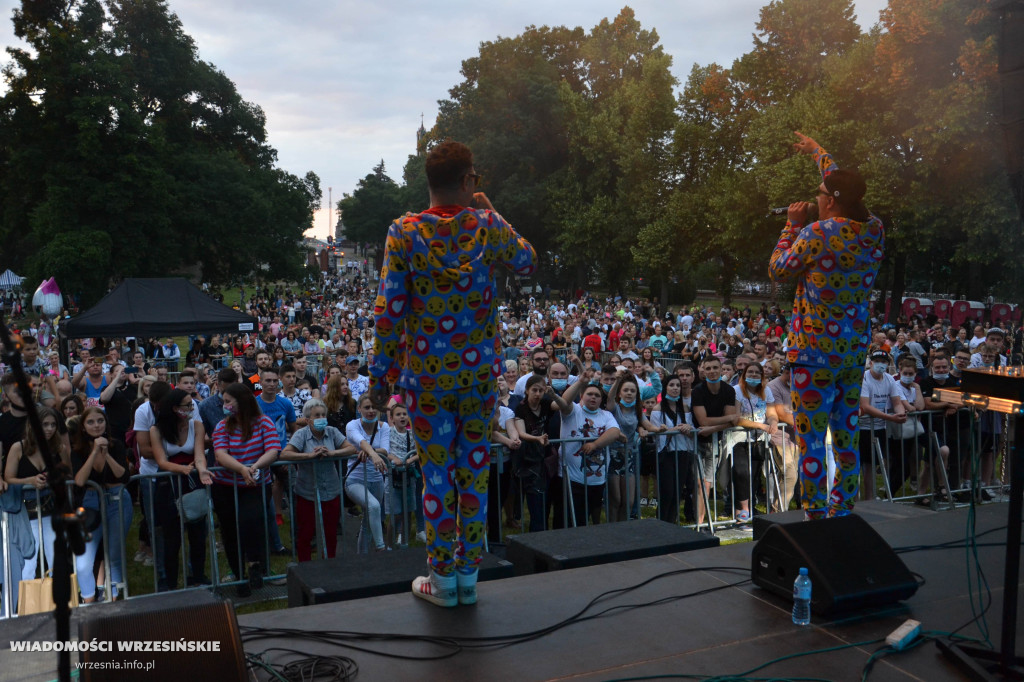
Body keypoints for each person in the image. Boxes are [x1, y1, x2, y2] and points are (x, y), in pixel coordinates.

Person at [368, 140, 536, 607]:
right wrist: (492, 211)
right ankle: (468, 578)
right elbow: (527, 259)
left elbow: (389, 311)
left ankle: (441, 581)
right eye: (475, 180)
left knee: (437, 477)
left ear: (429, 182)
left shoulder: (402, 232)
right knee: (475, 474)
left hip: (425, 382)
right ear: (466, 181)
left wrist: (380, 379)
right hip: (480, 378)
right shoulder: (487, 226)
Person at [767, 131, 885, 519]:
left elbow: (777, 270)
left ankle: (815, 515)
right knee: (846, 437)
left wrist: (790, 225)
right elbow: (839, 181)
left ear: (830, 201)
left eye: (819, 193)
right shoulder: (874, 230)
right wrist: (817, 152)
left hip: (813, 355)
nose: (815, 197)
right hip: (852, 355)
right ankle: (844, 510)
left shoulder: (816, 233)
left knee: (812, 441)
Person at [210, 383, 280, 597]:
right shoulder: (222, 426)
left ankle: (255, 564)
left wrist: (254, 467)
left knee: (253, 521)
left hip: (256, 484)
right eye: (224, 401)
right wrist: (241, 469)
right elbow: (220, 454)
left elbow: (273, 449)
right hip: (226, 486)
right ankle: (239, 576)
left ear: (242, 401)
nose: (225, 405)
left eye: (228, 401)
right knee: (230, 531)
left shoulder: (264, 423)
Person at [150, 389, 210, 589]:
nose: (191, 409)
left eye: (192, 405)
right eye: (187, 405)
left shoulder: (197, 426)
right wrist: (182, 469)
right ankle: (171, 582)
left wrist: (201, 470)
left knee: (198, 533)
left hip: (193, 481)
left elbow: (200, 454)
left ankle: (198, 576)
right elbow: (161, 460)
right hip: (169, 485)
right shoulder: (157, 430)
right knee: (171, 538)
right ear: (175, 408)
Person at [70, 407, 133, 602]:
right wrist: (94, 451)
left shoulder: (116, 445)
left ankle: (112, 599)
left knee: (113, 555)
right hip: (90, 503)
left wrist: (106, 454)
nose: (96, 425)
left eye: (100, 421)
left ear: (106, 423)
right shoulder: (78, 450)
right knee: (82, 562)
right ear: (83, 427)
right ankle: (88, 601)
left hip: (117, 499)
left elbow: (123, 477)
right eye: (90, 422)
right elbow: (79, 481)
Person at [281, 399, 355, 561]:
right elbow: (285, 454)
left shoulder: (333, 431)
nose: (321, 418)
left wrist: (332, 453)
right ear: (307, 420)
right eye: (317, 415)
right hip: (307, 491)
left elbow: (351, 448)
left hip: (331, 489)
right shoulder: (301, 434)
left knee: (331, 533)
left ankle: (330, 566)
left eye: (323, 414)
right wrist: (309, 456)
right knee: (306, 533)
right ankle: (305, 569)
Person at [344, 394, 391, 553]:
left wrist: (370, 452)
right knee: (374, 506)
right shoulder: (352, 425)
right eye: (366, 407)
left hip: (377, 479)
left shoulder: (384, 427)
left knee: (367, 522)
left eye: (374, 407)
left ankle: (362, 559)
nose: (371, 411)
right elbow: (360, 441)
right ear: (359, 409)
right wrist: (372, 453)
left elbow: (385, 449)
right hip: (355, 480)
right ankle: (381, 547)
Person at [858, 350, 906, 500]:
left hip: (880, 427)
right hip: (862, 427)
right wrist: (890, 417)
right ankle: (855, 498)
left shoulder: (890, 379)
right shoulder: (864, 378)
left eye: (884, 362)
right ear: (871, 362)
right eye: (877, 361)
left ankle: (870, 496)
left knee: (873, 464)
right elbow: (865, 406)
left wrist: (901, 413)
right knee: (858, 465)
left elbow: (897, 401)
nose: (881, 364)